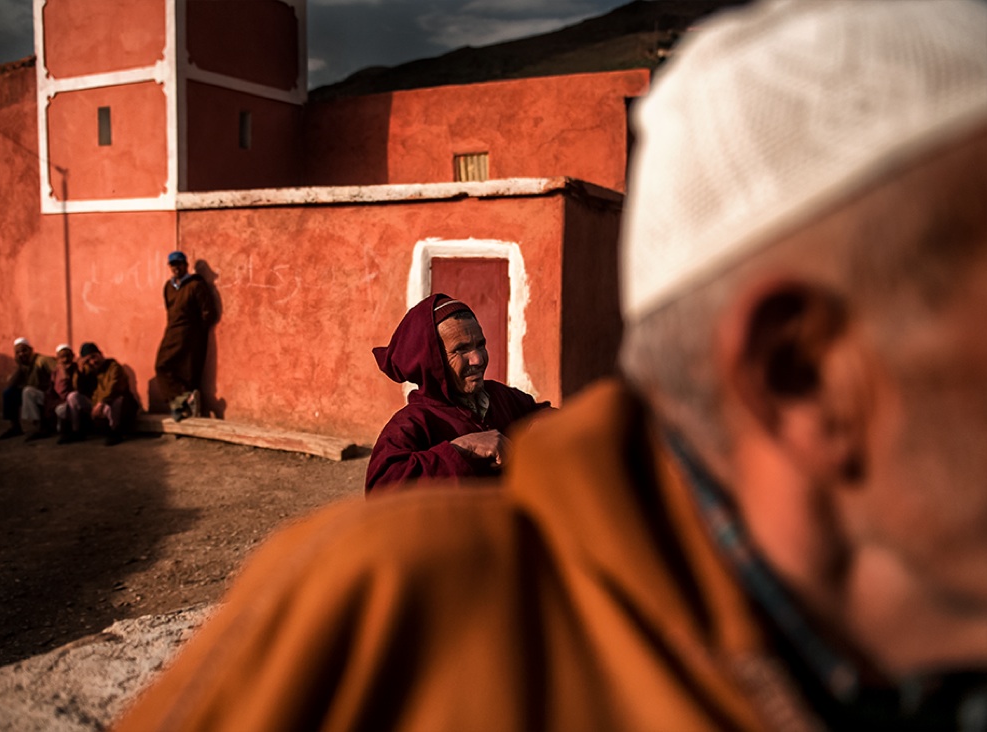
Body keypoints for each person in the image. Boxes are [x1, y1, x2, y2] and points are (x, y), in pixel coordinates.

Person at [113, 1, 987, 729]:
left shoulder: (509, 400)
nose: (476, 357)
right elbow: (389, 484)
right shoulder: (372, 632)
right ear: (800, 376)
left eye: (477, 342)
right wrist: (466, 456)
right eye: (457, 348)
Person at [365, 294, 551, 493]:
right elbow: (381, 488)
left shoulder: (501, 396)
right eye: (461, 350)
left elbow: (540, 413)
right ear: (433, 361)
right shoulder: (413, 422)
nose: (478, 359)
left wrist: (542, 427)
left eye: (480, 345)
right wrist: (462, 448)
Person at [154, 250, 216, 422]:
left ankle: (182, 401)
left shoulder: (195, 285)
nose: (176, 268)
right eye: (173, 265)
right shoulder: (169, 286)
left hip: (189, 332)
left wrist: (196, 331)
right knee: (163, 366)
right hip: (172, 330)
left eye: (179, 264)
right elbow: (169, 309)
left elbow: (208, 312)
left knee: (184, 368)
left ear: (186, 265)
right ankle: (184, 399)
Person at [58, 342, 137, 446]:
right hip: (96, 404)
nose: (93, 361)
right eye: (88, 360)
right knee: (73, 397)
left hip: (114, 404)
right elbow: (78, 388)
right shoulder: (89, 370)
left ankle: (115, 432)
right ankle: (76, 431)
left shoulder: (114, 367)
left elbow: (113, 388)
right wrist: (80, 371)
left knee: (116, 401)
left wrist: (101, 403)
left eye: (94, 357)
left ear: (101, 354)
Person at [0, 337, 55, 440]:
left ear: (31, 350)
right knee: (9, 393)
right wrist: (19, 367)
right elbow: (11, 384)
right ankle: (15, 427)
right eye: (18, 352)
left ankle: (40, 428)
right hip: (31, 395)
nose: (21, 354)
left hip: (47, 395)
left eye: (24, 350)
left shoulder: (42, 360)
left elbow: (57, 371)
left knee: (28, 391)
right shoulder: (23, 366)